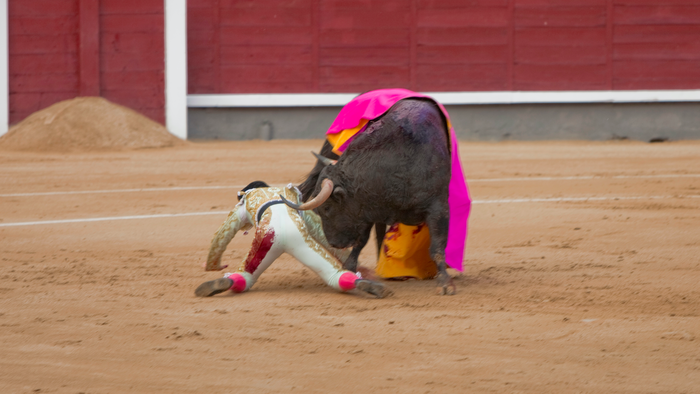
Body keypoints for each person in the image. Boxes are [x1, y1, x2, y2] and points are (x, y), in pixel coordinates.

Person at [195, 181, 392, 298]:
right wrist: (351, 262)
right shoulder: (289, 195)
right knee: (333, 275)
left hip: (267, 236)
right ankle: (355, 282)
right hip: (298, 233)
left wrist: (213, 263)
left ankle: (231, 281)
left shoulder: (246, 201)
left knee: (246, 276)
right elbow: (318, 230)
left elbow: (222, 234)